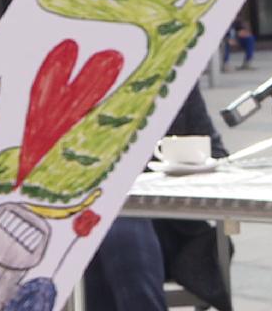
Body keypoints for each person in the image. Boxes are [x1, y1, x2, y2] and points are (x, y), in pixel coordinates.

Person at [84, 83, 232, 311]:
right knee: (114, 228)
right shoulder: (84, 86)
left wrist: (170, 166)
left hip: (171, 225)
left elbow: (217, 154)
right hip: (89, 227)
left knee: (121, 226)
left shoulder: (175, 79)